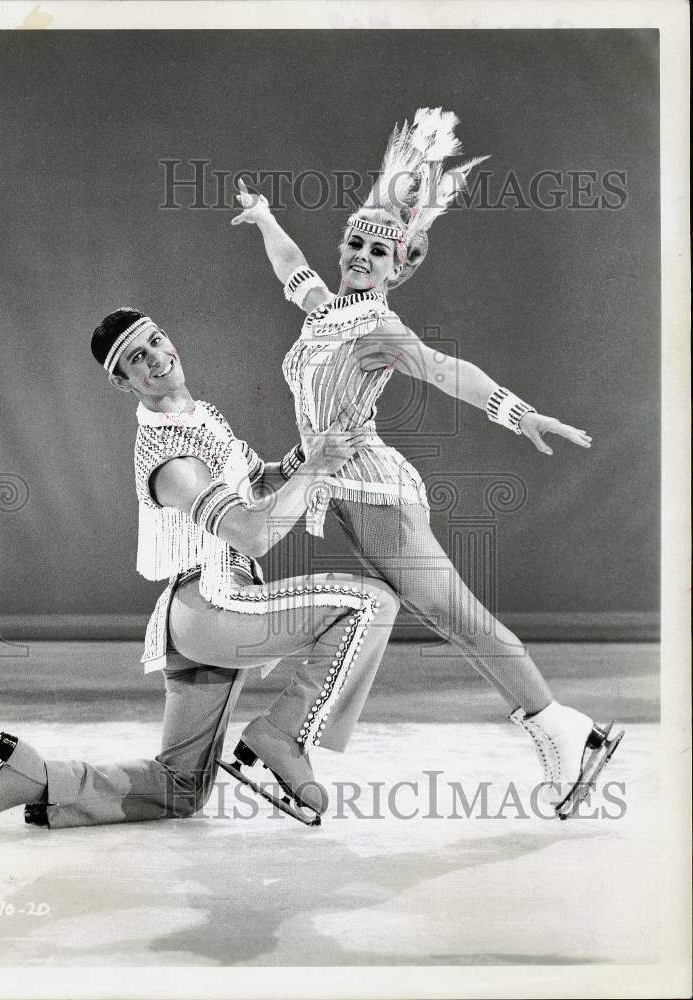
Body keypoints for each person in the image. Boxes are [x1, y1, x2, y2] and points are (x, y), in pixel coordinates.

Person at [231, 107, 622, 819]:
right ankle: (287, 736)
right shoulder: (323, 313)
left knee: (457, 616)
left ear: (400, 268)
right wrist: (263, 219)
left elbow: (448, 372)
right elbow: (293, 269)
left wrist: (520, 413)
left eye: (377, 253)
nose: (358, 255)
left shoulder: (380, 325)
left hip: (375, 494)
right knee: (440, 616)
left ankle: (567, 732)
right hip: (339, 489)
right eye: (353, 242)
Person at [0, 308, 400, 832]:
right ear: (122, 381)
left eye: (157, 341)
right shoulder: (167, 454)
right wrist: (317, 469)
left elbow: (259, 486)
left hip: (200, 620)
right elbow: (251, 532)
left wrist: (308, 456)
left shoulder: (201, 418)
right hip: (215, 606)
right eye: (139, 357)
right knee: (373, 601)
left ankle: (30, 776)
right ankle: (283, 735)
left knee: (183, 788)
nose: (157, 357)